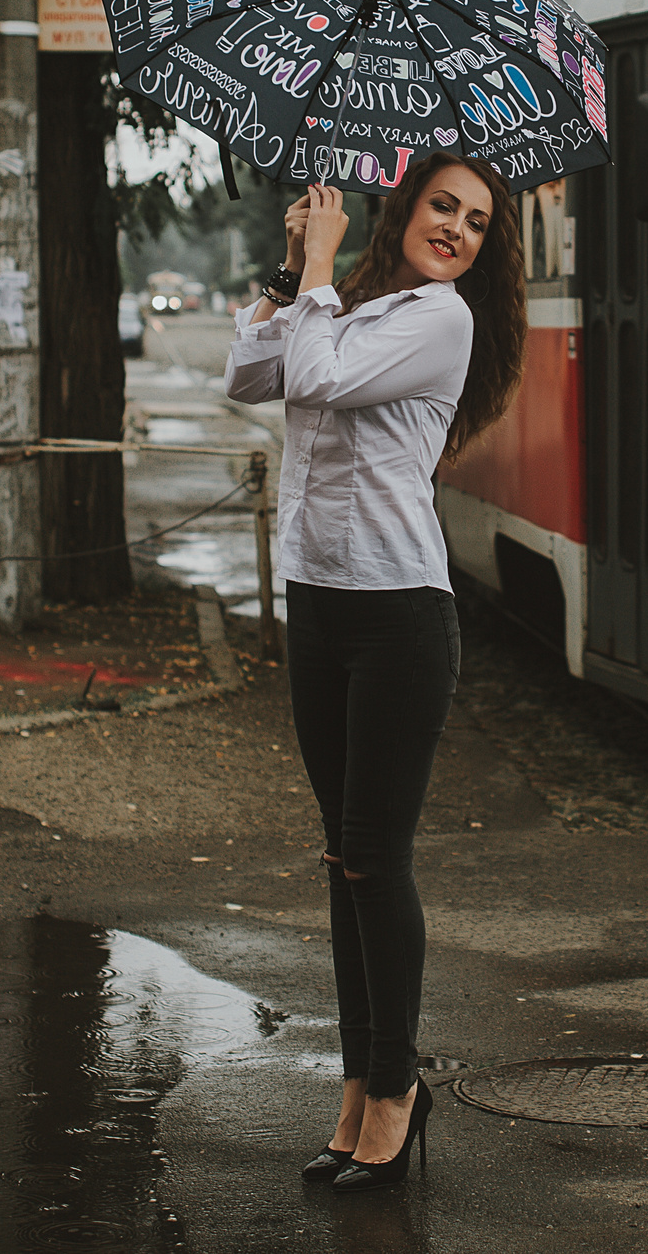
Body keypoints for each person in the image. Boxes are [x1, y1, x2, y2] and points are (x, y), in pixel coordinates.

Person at [223, 157, 526, 1194]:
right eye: (445, 205)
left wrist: (314, 272)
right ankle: (359, 1085)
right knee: (341, 863)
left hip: (398, 616)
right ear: (406, 205)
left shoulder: (440, 319)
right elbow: (251, 375)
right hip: (318, 604)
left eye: (477, 222)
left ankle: (396, 1090)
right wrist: (289, 271)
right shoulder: (345, 304)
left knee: (375, 858)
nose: (456, 229)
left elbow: (314, 379)